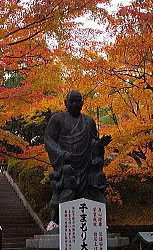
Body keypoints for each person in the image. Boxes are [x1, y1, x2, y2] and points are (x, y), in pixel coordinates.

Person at [44, 90, 111, 227]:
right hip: (67, 166)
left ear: (82, 103)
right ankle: (56, 222)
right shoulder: (58, 119)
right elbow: (49, 140)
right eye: (71, 101)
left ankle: (92, 226)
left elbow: (93, 143)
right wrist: (62, 154)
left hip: (86, 165)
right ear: (65, 103)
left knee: (89, 195)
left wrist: (99, 144)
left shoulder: (88, 122)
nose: (74, 104)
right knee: (65, 194)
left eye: (77, 101)